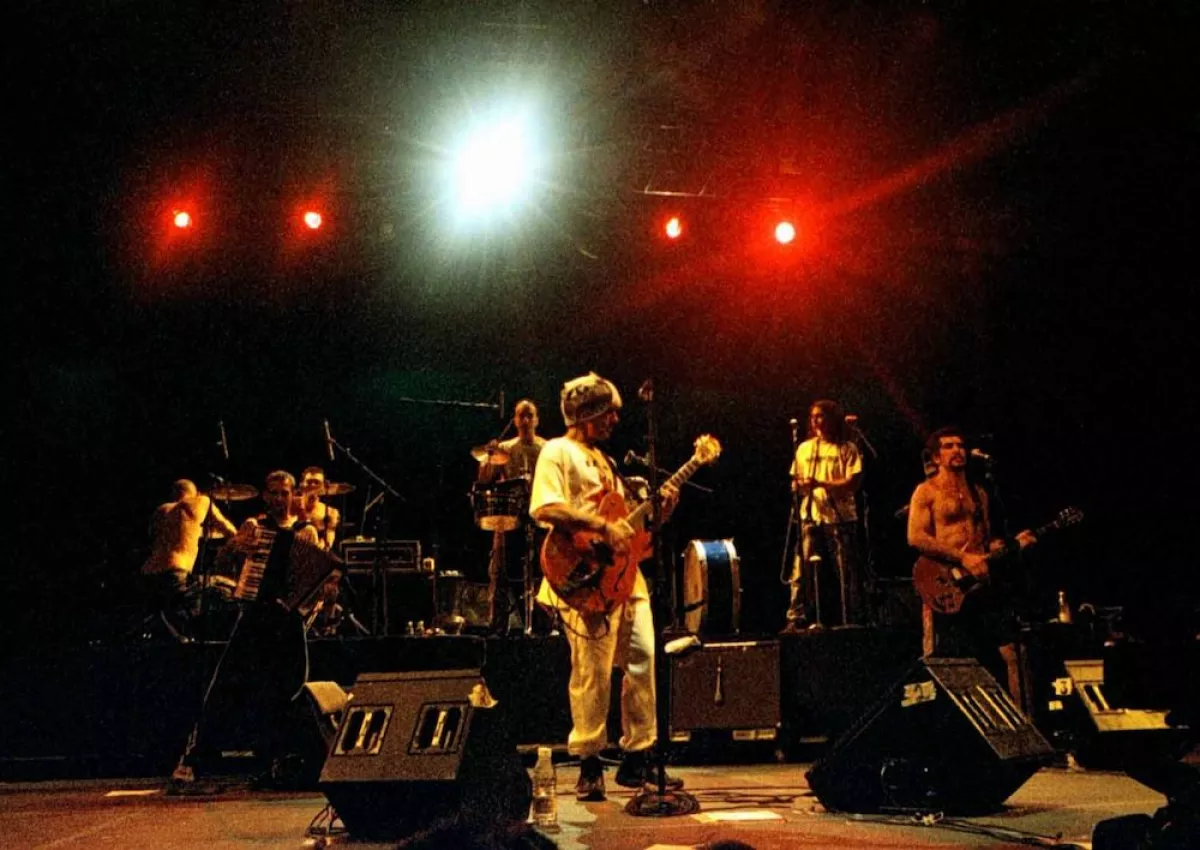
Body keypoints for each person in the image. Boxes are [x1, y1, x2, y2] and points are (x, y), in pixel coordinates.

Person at [529, 373, 681, 801]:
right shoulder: (558, 451)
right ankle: (589, 762)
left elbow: (629, 532)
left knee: (643, 659)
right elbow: (544, 507)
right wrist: (598, 524)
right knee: (592, 672)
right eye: (608, 410)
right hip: (583, 579)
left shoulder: (608, 462)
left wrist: (659, 511)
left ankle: (637, 758)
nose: (616, 418)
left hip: (625, 579)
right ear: (585, 412)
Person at [906, 427, 1035, 706]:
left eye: (961, 445)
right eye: (949, 446)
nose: (957, 451)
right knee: (953, 658)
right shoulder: (926, 491)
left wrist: (1010, 546)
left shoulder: (979, 493)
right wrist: (961, 557)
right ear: (937, 456)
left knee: (1012, 651)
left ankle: (1025, 726)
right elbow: (916, 537)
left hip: (980, 581)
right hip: (946, 583)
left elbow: (984, 541)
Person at [783, 400, 864, 632]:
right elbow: (794, 480)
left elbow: (853, 483)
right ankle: (796, 617)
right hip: (810, 515)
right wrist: (799, 486)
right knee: (801, 569)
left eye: (821, 416)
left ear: (831, 418)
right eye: (813, 416)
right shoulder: (804, 448)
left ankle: (850, 617)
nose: (816, 420)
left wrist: (820, 483)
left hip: (840, 518)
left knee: (844, 571)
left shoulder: (847, 448)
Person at [477, 400, 547, 633]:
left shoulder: (547, 449)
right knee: (500, 571)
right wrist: (487, 457)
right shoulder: (505, 448)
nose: (526, 420)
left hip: (540, 518)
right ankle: (498, 628)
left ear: (537, 419)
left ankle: (544, 625)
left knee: (544, 572)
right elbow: (485, 480)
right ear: (515, 420)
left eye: (530, 415)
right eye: (521, 416)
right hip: (509, 519)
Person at [141, 479, 239, 616]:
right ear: (196, 493)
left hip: (148, 573)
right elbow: (230, 531)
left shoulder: (161, 510)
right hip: (175, 573)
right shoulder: (201, 500)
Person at [296, 466, 340, 551]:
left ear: (323, 486)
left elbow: (328, 542)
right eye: (309, 482)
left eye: (316, 482)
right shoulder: (292, 506)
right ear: (302, 484)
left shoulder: (330, 512)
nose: (313, 485)